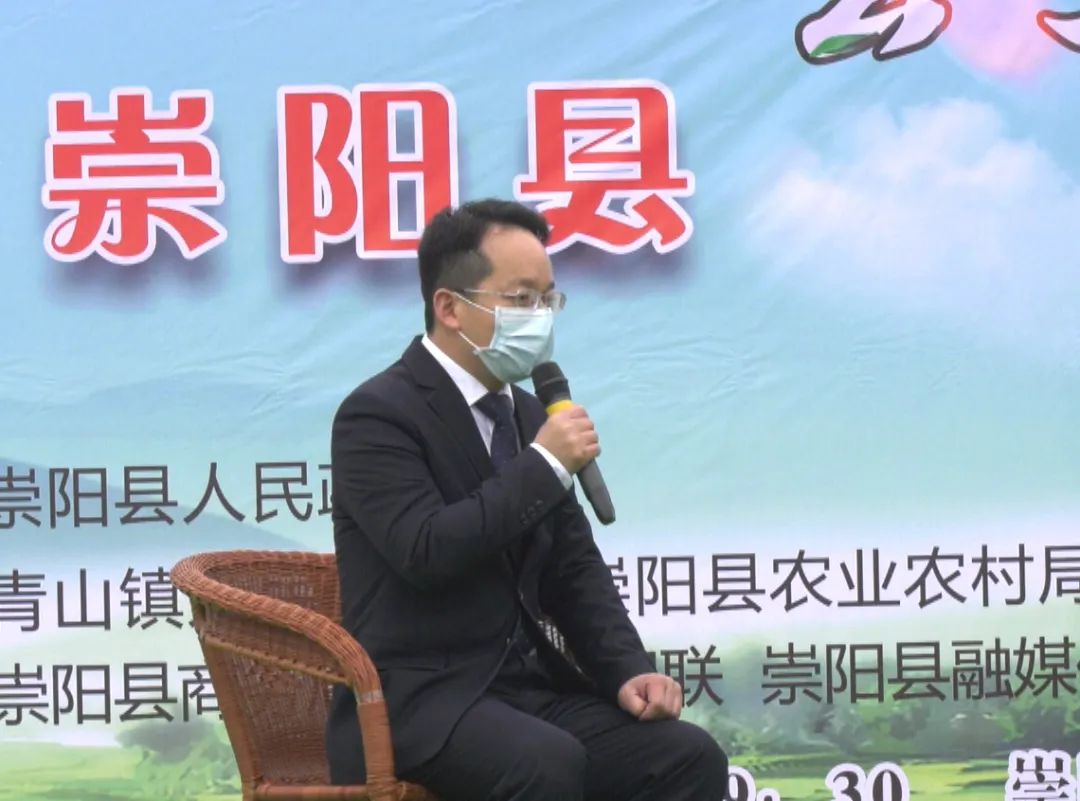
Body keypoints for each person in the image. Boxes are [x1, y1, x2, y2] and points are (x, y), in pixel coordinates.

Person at [326, 198, 728, 800]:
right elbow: (424, 550)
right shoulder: (378, 414)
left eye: (548, 299)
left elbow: (574, 567)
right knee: (545, 763)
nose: (539, 317)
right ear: (450, 308)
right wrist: (542, 465)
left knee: (685, 757)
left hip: (525, 692)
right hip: (418, 702)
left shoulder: (529, 414)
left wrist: (627, 669)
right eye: (520, 299)